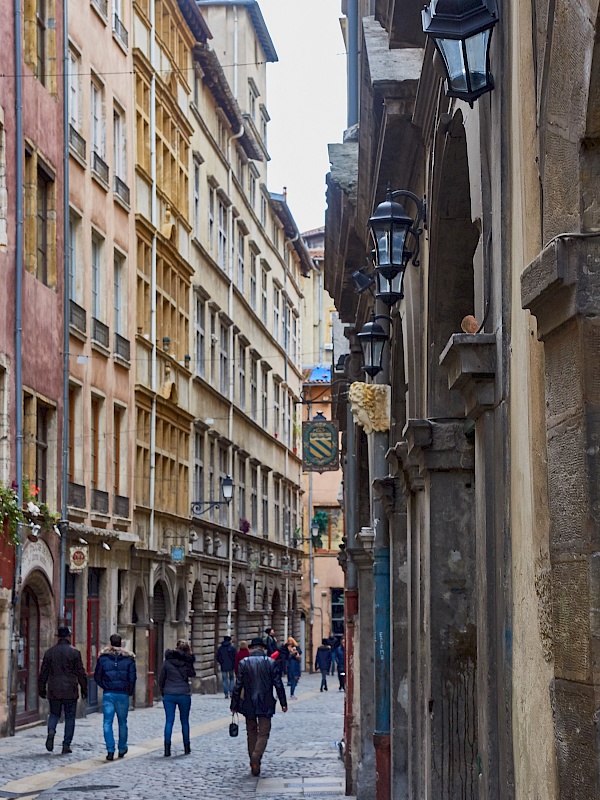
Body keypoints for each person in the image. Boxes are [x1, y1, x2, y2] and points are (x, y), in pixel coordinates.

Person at [231, 636, 287, 776]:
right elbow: (278, 684)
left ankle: (253, 760)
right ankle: (257, 755)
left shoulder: (244, 663)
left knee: (251, 733)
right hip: (266, 701)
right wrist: (283, 703)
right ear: (264, 648)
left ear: (250, 649)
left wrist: (234, 704)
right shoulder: (270, 662)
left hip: (248, 702)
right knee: (263, 733)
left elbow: (238, 686)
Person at [38, 626, 87, 754]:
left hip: (54, 689)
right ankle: (66, 745)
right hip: (70, 689)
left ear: (58, 638)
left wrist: (41, 688)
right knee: (70, 717)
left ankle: (51, 730)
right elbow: (81, 672)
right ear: (69, 637)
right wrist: (84, 689)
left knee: (54, 714)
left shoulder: (50, 652)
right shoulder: (74, 652)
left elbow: (43, 673)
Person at [94, 633, 137, 761]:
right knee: (122, 722)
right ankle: (122, 747)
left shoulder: (103, 658)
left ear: (110, 643)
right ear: (121, 643)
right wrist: (129, 691)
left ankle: (110, 749)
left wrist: (105, 686)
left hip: (109, 693)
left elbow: (97, 676)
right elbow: (132, 678)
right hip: (122, 694)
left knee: (107, 722)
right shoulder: (129, 659)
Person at [158, 640, 196, 757]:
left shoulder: (167, 662)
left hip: (169, 694)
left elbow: (161, 679)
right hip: (184, 693)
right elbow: (192, 674)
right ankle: (186, 746)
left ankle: (167, 748)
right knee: (184, 721)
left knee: (169, 721)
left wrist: (163, 692)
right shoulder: (187, 661)